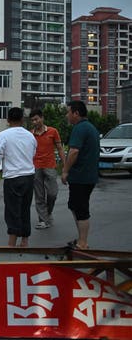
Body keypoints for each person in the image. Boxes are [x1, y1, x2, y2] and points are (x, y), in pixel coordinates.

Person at [0, 107, 37, 247]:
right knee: (25, 208)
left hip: (12, 178)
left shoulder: (3, 135)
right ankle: (25, 241)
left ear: (7, 120)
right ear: (22, 120)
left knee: (12, 210)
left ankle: (11, 244)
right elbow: (33, 153)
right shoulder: (30, 136)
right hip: (29, 176)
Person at [61, 100, 99, 250]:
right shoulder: (90, 128)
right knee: (75, 206)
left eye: (68, 112)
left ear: (76, 113)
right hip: (87, 176)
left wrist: (65, 170)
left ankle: (83, 243)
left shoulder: (80, 128)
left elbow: (74, 151)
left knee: (81, 209)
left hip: (82, 177)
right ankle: (80, 240)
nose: (66, 115)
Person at [30, 108, 66, 229]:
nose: (34, 122)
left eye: (36, 119)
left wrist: (65, 164)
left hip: (50, 166)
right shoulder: (30, 134)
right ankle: (43, 220)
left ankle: (48, 213)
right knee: (39, 195)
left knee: (52, 193)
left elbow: (60, 148)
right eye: (32, 120)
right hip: (35, 167)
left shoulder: (53, 131)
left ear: (42, 118)